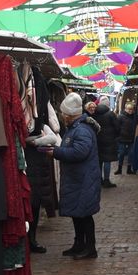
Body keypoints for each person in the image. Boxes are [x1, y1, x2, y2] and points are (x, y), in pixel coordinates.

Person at [48, 93, 101, 260]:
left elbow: (79, 152)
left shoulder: (81, 130)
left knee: (84, 215)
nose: (62, 116)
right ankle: (79, 244)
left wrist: (56, 152)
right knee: (78, 214)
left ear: (70, 115)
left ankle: (90, 248)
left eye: (64, 113)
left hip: (83, 180)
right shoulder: (76, 128)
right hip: (79, 179)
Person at [88, 97, 120, 188]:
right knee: (107, 161)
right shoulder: (111, 114)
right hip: (109, 141)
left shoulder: (94, 113)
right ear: (108, 104)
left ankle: (99, 180)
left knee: (99, 161)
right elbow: (117, 127)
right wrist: (115, 135)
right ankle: (106, 181)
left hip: (97, 140)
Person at [116, 102, 138, 175]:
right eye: (128, 109)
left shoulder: (134, 117)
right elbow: (117, 127)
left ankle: (129, 169)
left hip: (131, 139)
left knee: (131, 154)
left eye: (131, 109)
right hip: (122, 139)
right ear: (125, 109)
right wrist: (119, 136)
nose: (130, 111)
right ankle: (119, 169)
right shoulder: (120, 117)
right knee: (121, 154)